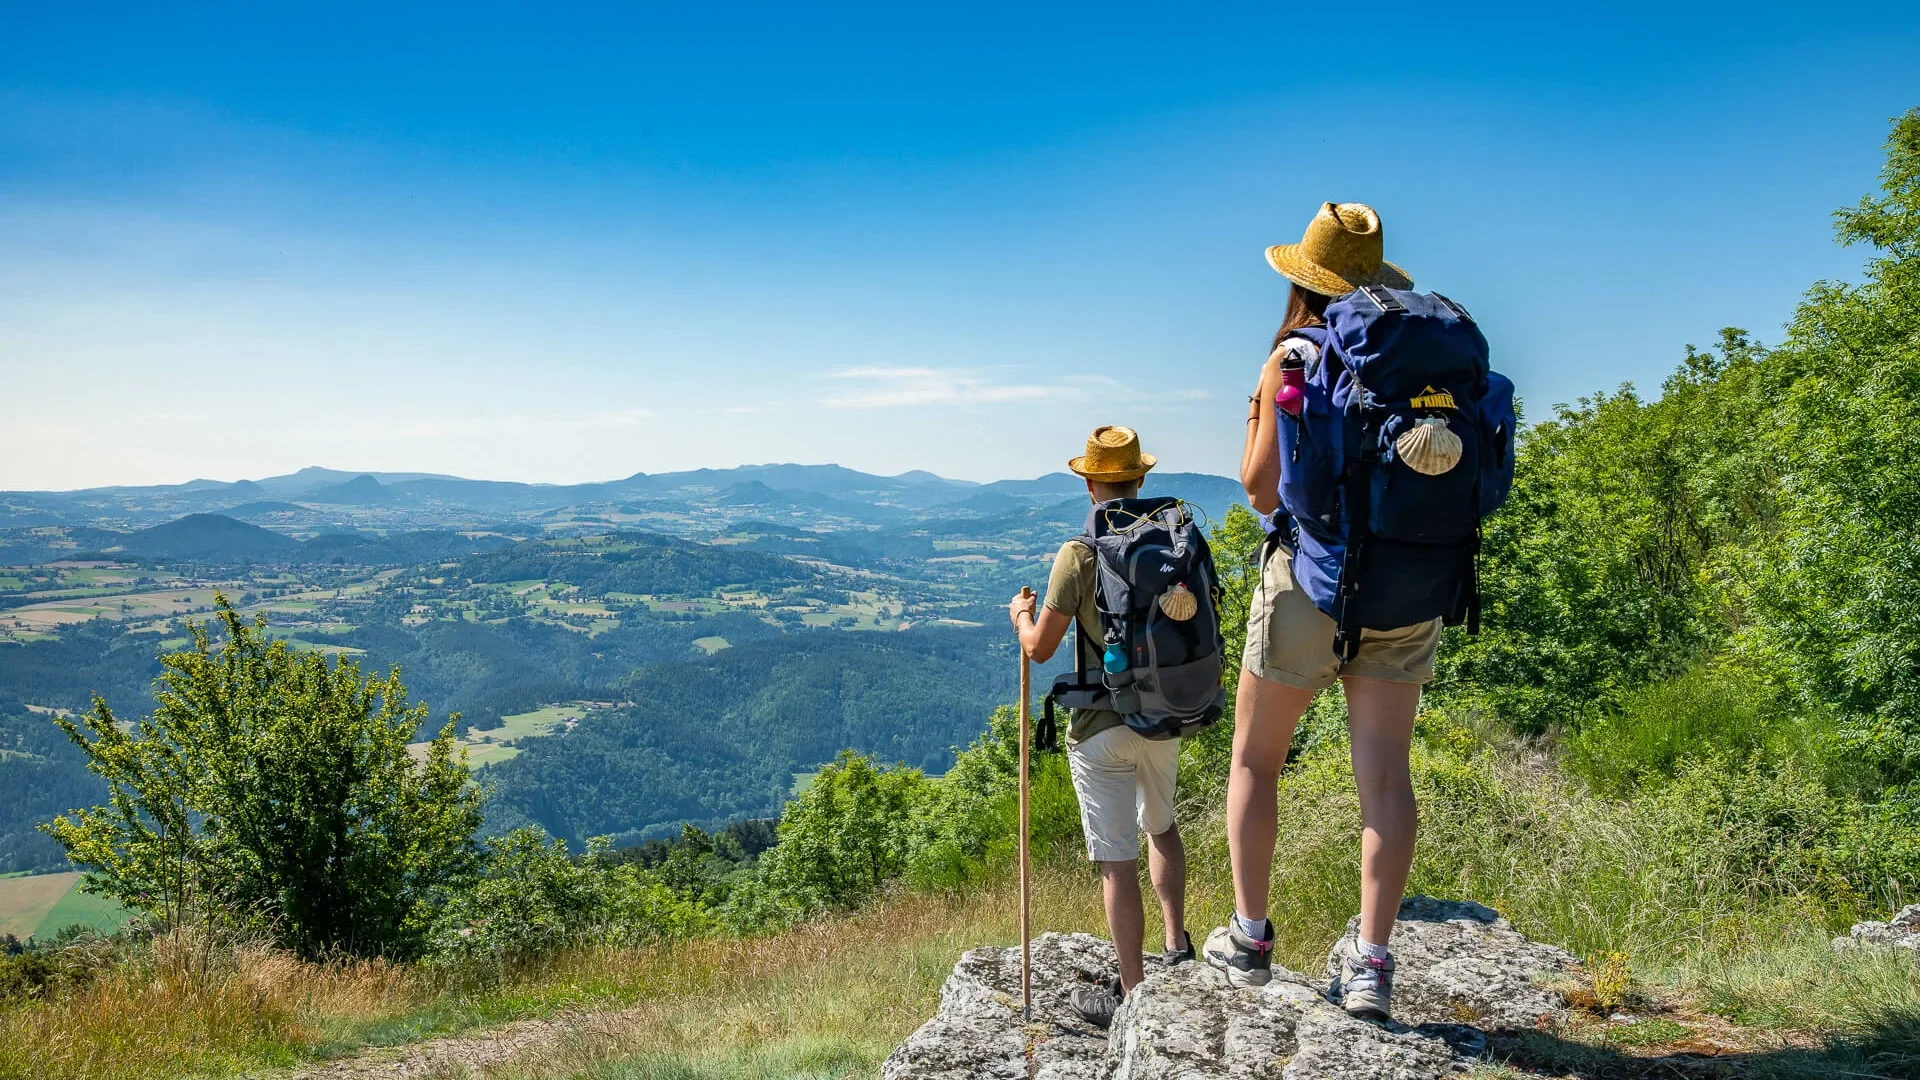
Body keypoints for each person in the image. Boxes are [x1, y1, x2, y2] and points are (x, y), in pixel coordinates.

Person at [1203, 203, 1438, 1020]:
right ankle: (1372, 965)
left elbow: (1262, 488)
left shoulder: (1297, 354)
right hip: (1408, 589)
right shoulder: (1418, 360)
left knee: (1256, 761)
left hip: (1310, 583)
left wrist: (1255, 411)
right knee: (1384, 777)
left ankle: (1251, 937)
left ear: (1303, 277)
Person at [1008, 425, 1193, 1029]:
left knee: (1117, 862)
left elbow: (1040, 650)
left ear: (1091, 483)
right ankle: (1175, 945)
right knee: (1161, 827)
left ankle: (1134, 996)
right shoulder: (1176, 541)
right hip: (1166, 714)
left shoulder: (1079, 554)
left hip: (1099, 725)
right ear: (1140, 479)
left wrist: (1021, 618)